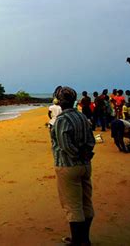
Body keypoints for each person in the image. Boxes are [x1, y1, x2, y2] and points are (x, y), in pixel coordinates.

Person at [51, 87, 95, 246]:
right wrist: (85, 153)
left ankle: (78, 241)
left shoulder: (62, 120)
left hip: (68, 166)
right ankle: (84, 239)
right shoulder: (82, 116)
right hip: (85, 165)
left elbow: (65, 146)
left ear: (58, 101)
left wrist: (76, 153)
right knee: (86, 202)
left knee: (72, 206)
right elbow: (91, 140)